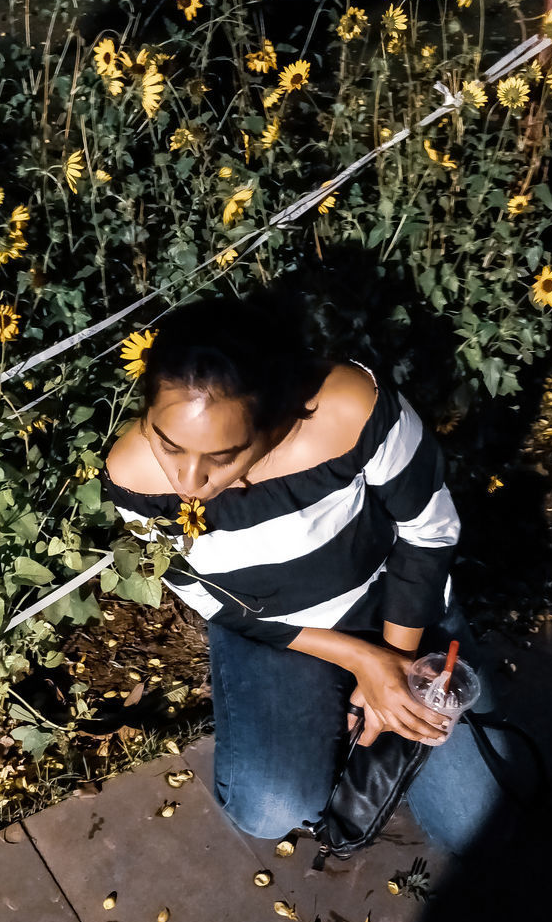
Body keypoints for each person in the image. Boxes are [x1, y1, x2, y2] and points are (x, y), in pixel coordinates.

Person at [101, 289, 510, 853]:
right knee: (268, 808)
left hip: (397, 601)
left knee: (475, 821)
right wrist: (364, 661)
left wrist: (393, 664)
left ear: (277, 415)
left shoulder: (350, 408)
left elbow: (429, 530)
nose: (188, 481)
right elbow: (208, 596)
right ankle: (313, 724)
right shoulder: (133, 477)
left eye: (223, 455)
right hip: (274, 628)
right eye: (169, 444)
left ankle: (342, 728)